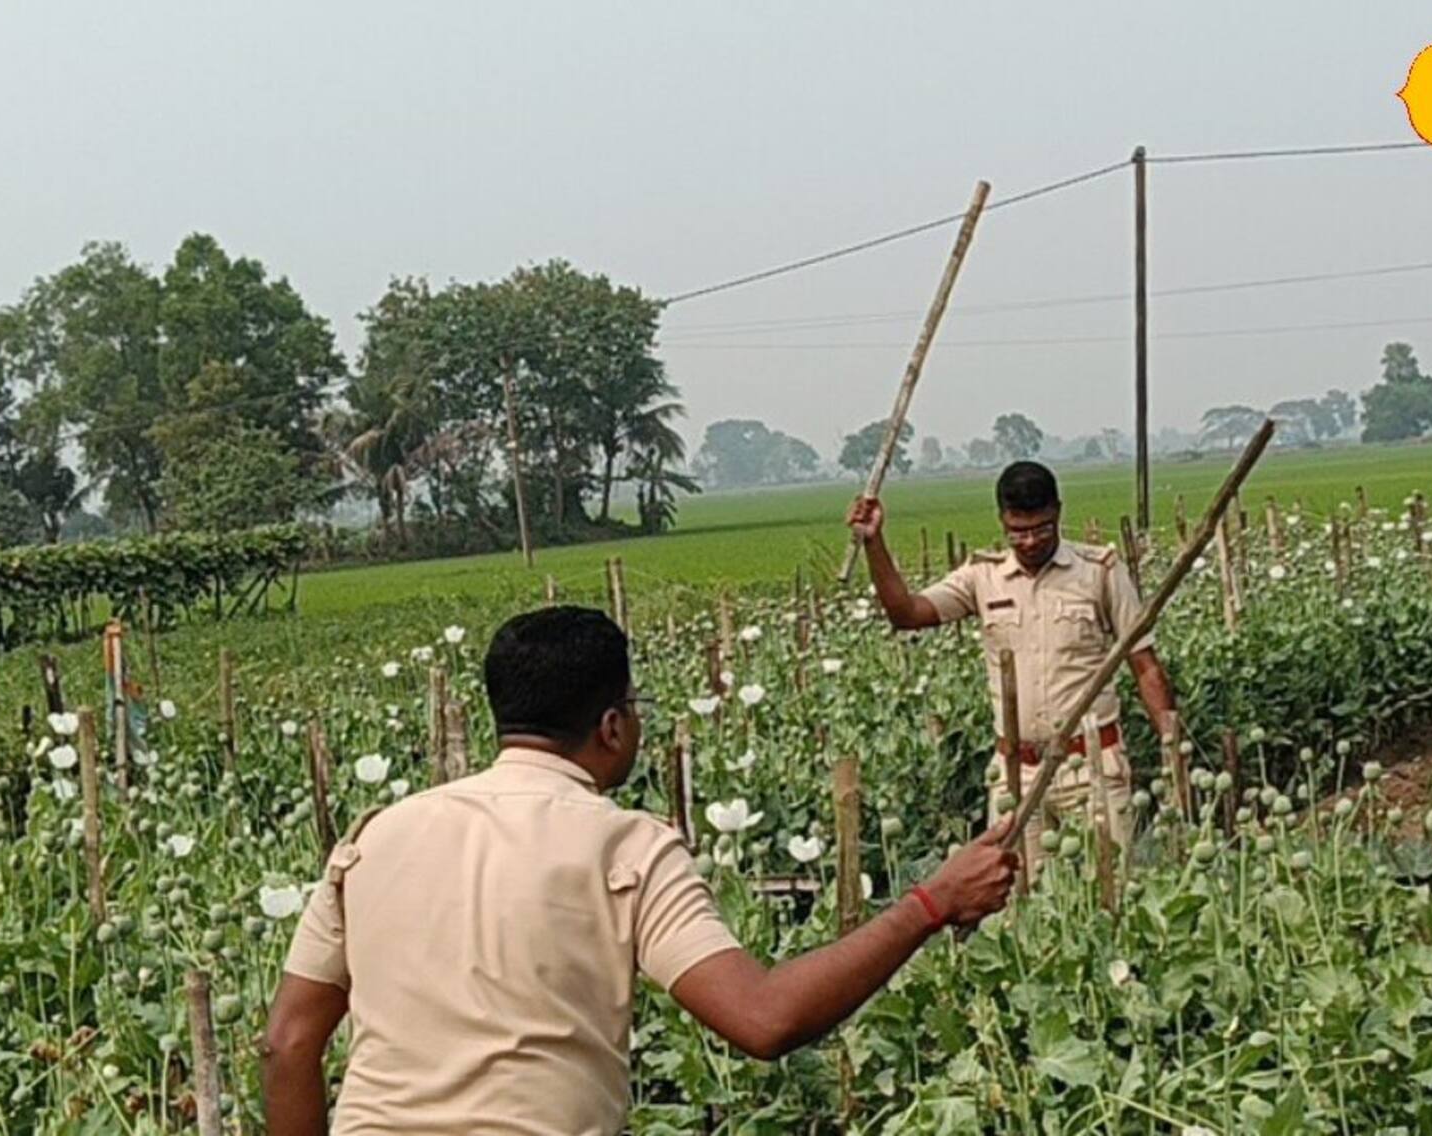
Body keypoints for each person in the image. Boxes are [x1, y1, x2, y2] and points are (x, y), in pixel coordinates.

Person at [262, 606, 1019, 1136]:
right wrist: (930, 901)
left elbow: (289, 1044)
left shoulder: (375, 837)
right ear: (613, 725)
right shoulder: (623, 846)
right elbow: (764, 1021)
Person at [847, 461, 1180, 867]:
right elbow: (907, 614)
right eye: (1018, 531)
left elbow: (1144, 664)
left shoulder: (1099, 573)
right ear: (1002, 520)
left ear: (1058, 512)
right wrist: (873, 543)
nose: (1029, 541)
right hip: (1014, 775)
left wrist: (1171, 744)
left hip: (1091, 767)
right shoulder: (981, 577)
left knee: (1107, 897)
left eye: (1041, 528)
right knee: (1014, 908)